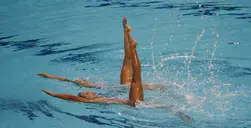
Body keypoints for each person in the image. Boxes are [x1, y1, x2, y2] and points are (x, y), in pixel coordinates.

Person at [40, 17, 192, 121]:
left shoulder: (99, 91)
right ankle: (128, 37)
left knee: (131, 69)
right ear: (87, 98)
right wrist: (54, 92)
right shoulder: (97, 99)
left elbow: (72, 89)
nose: (85, 91)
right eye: (84, 94)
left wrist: (53, 90)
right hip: (131, 99)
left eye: (84, 91)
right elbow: (74, 97)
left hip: (132, 101)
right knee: (136, 77)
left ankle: (129, 40)